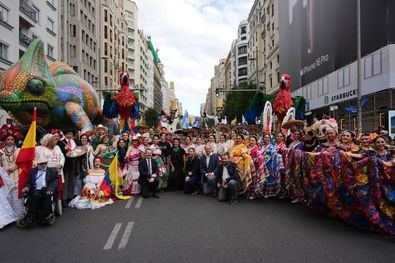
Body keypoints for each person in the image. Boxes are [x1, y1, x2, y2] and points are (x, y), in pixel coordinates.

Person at [21, 156, 58, 224]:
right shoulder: (33, 171)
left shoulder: (52, 171)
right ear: (38, 164)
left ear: (47, 163)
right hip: (36, 189)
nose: (43, 165)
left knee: (47, 195)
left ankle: (45, 216)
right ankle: (30, 216)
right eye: (41, 163)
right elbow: (28, 182)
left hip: (46, 188)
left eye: (45, 163)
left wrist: (51, 189)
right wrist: (27, 187)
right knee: (34, 196)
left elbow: (55, 182)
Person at [0, 132, 24, 219]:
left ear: (14, 140)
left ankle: (18, 215)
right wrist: (4, 169)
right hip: (4, 175)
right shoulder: (1, 151)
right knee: (6, 194)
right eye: (8, 139)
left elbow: (20, 162)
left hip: (15, 174)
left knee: (16, 193)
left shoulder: (18, 150)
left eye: (12, 139)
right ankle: (9, 216)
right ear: (5, 141)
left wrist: (13, 167)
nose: (10, 141)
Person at [57, 129, 78, 203]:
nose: (69, 135)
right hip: (65, 165)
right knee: (65, 182)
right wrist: (64, 149)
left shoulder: (74, 142)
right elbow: (59, 154)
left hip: (74, 164)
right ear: (65, 134)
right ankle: (64, 198)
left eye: (71, 134)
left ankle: (70, 197)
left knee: (72, 181)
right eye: (68, 134)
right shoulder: (60, 142)